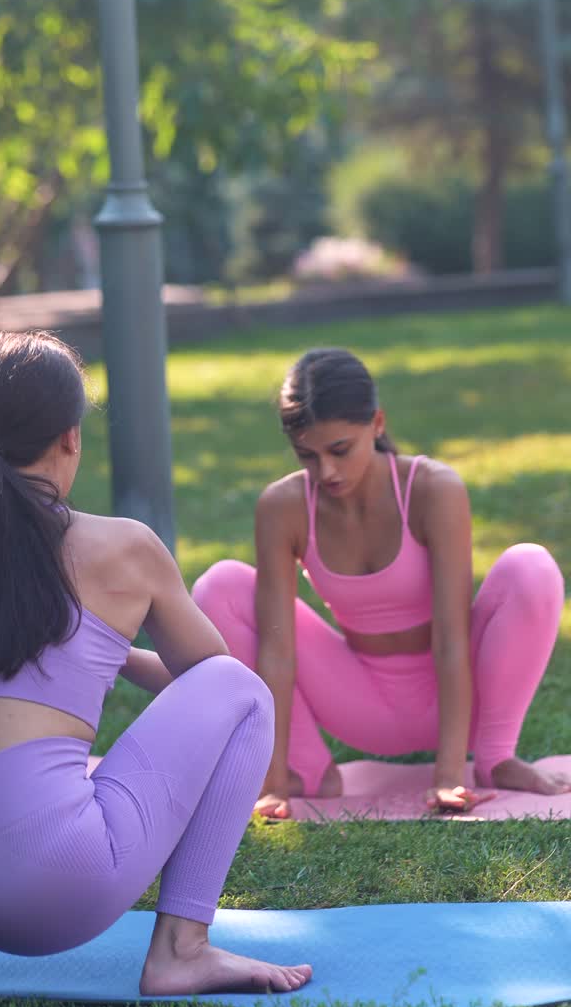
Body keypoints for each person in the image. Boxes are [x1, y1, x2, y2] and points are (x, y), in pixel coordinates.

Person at [0, 330, 311, 994]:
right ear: (71, 437)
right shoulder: (124, 549)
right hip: (50, 893)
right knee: (242, 692)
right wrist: (116, 654)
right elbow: (209, 679)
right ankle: (181, 949)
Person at [192, 347, 567, 820]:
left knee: (530, 567)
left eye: (340, 450)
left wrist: (450, 773)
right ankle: (304, 772)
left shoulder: (433, 488)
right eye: (307, 455)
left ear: (378, 424)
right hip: (361, 701)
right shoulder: (282, 506)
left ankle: (494, 759)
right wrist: (272, 781)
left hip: (458, 692)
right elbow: (277, 650)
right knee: (218, 586)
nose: (325, 471)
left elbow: (452, 637)